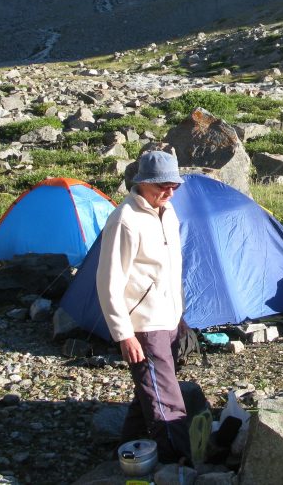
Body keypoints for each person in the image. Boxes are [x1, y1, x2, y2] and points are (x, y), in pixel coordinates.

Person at [96, 149, 191, 463]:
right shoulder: (125, 219)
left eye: (173, 186)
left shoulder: (168, 211)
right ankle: (178, 460)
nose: (168, 191)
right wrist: (124, 335)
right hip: (143, 325)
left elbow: (170, 269)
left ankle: (131, 448)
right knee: (166, 397)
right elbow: (108, 281)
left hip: (168, 318)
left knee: (150, 388)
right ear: (143, 183)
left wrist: (179, 317)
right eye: (161, 186)